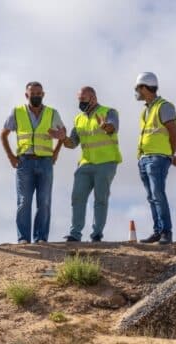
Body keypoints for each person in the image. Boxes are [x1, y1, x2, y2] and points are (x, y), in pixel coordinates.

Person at [0, 81, 66, 243]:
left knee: (44, 201)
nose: (36, 96)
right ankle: (23, 238)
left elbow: (63, 134)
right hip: (25, 162)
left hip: (45, 162)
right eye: (33, 93)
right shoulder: (17, 112)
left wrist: (55, 153)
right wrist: (11, 156)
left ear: (43, 95)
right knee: (24, 201)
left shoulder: (52, 113)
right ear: (26, 95)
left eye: (39, 93)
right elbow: (3, 134)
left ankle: (41, 238)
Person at [54, 86, 121, 242]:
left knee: (100, 198)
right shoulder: (79, 119)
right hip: (85, 164)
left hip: (106, 162)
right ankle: (75, 234)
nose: (80, 102)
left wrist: (105, 126)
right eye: (79, 100)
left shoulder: (109, 112)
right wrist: (63, 138)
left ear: (93, 98)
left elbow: (112, 128)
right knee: (77, 197)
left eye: (83, 99)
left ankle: (97, 234)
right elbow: (72, 144)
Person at [134, 72, 176, 245]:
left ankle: (166, 232)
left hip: (157, 158)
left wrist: (169, 155)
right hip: (145, 158)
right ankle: (157, 231)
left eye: (137, 88)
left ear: (145, 88)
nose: (136, 91)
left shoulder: (164, 106)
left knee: (158, 194)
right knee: (151, 196)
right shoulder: (146, 111)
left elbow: (174, 133)